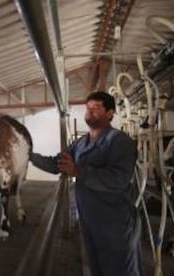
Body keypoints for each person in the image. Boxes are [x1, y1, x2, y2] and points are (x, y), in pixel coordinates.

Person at [30, 91, 141, 276]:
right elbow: (57, 163)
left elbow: (119, 179)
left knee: (120, 270)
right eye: (88, 108)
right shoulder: (80, 143)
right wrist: (28, 156)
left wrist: (78, 171)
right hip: (90, 221)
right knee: (97, 268)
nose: (90, 112)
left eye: (96, 108)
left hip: (115, 223)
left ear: (110, 113)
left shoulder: (120, 141)